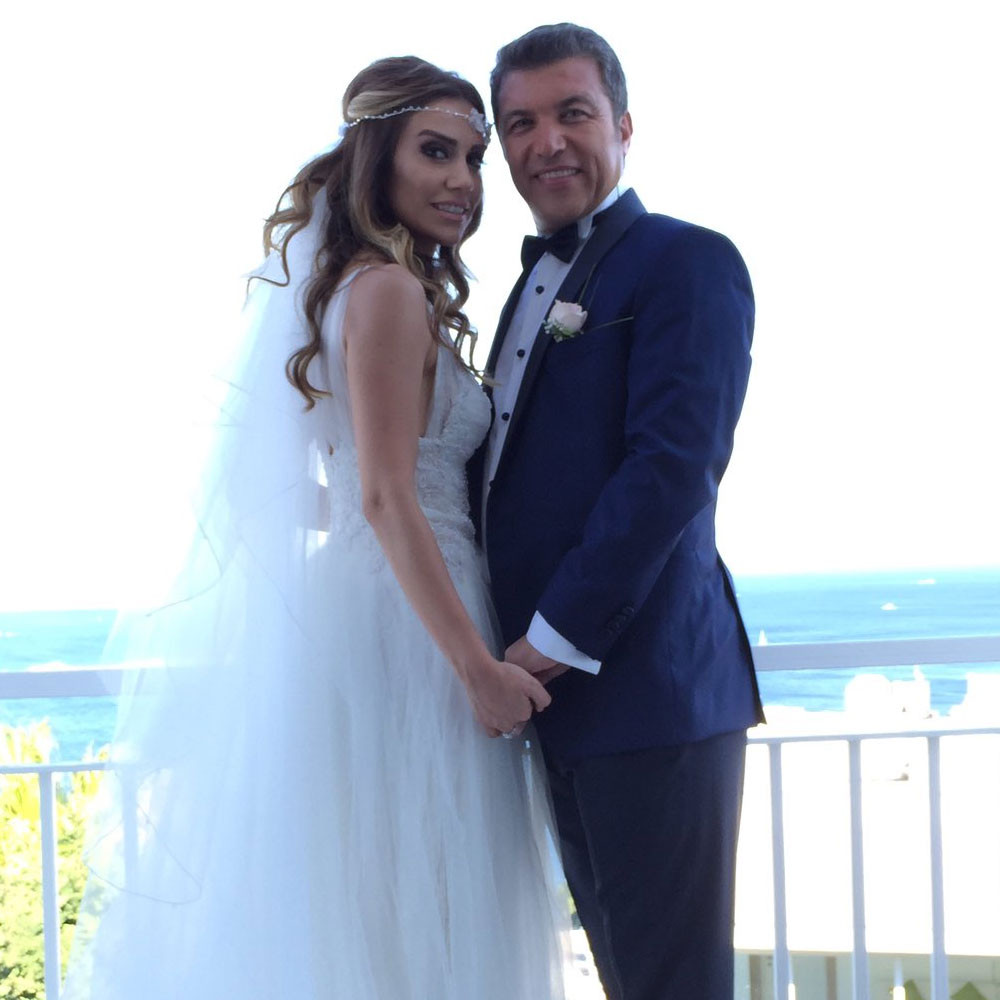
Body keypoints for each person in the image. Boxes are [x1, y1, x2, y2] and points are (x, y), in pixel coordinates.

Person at [62, 57, 567, 1000]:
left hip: (377, 604)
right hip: (417, 629)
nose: (463, 180)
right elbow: (385, 497)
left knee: (380, 895)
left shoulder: (355, 289)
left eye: (473, 158)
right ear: (377, 158)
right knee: (424, 896)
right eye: (435, 152)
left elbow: (339, 489)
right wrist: (477, 669)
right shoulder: (386, 292)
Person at [469, 23, 766, 1000]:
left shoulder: (687, 260)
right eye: (520, 123)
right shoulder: (528, 284)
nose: (545, 141)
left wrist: (546, 642)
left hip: (647, 694)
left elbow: (671, 469)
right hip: (555, 700)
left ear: (623, 126)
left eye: (572, 113)